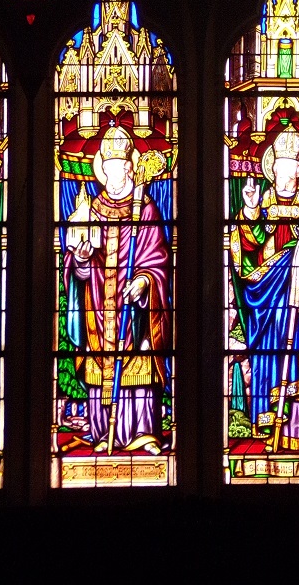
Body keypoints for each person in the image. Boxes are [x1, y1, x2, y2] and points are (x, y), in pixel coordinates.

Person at [231, 127, 299, 454]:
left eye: (293, 167)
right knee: (275, 354)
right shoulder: (262, 203)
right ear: (272, 168)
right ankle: (275, 429)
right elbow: (246, 250)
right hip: (270, 303)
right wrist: (249, 211)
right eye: (281, 166)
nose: (286, 173)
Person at [63, 125, 171, 454]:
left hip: (135, 311)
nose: (115, 174)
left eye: (121, 168)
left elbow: (158, 259)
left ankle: (143, 433)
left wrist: (144, 282)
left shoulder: (147, 210)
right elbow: (78, 264)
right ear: (102, 170)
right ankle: (102, 433)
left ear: (130, 168)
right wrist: (80, 261)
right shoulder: (91, 210)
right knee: (100, 364)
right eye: (108, 169)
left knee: (139, 361)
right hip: (98, 304)